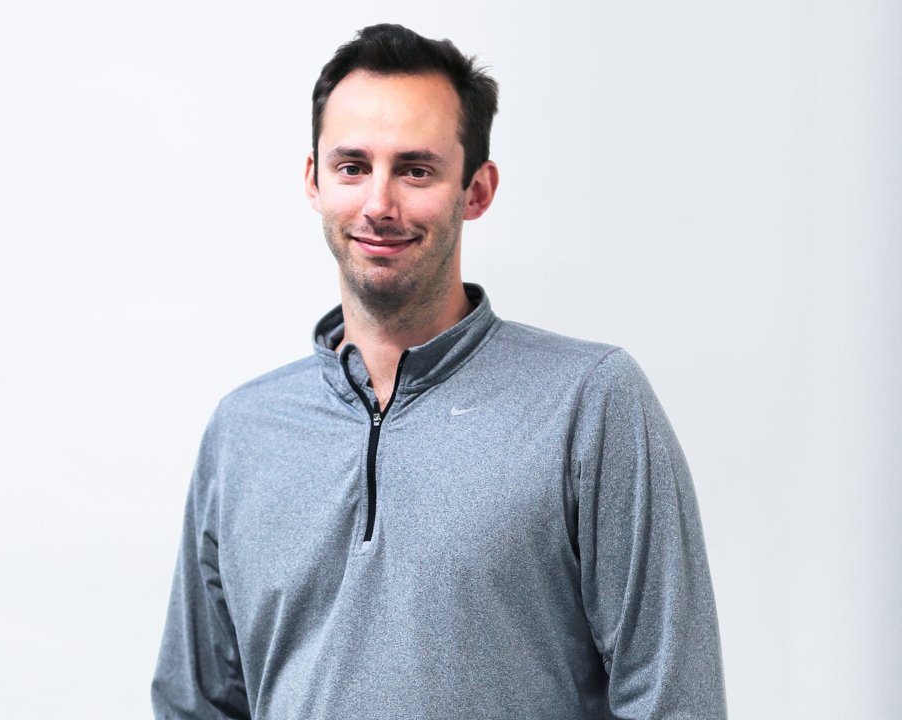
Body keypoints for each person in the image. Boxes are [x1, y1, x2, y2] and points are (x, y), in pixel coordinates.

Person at [152, 23, 727, 720]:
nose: (379, 204)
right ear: (314, 180)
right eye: (352, 166)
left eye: (415, 170)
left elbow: (674, 699)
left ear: (476, 190)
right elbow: (197, 705)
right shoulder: (244, 430)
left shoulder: (589, 404)